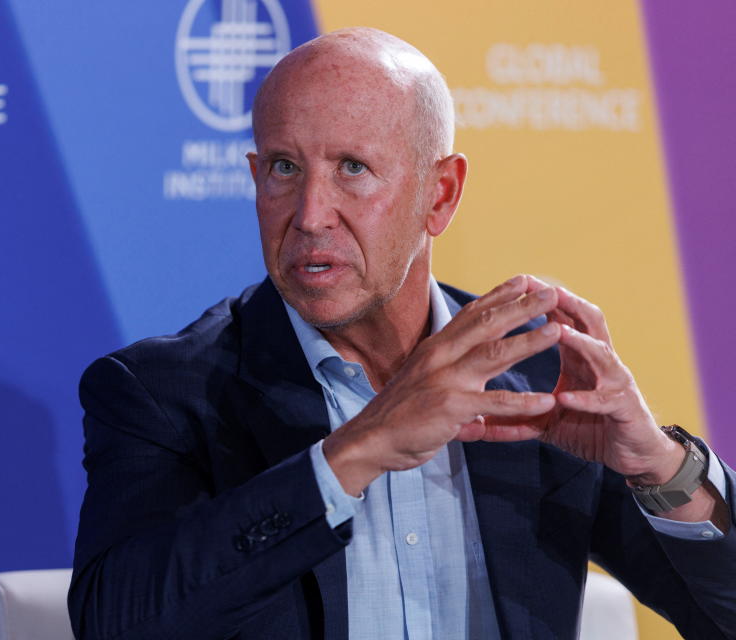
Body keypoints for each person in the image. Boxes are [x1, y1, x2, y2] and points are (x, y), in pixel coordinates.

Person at [69, 27, 736, 640]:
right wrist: (358, 450)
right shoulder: (165, 393)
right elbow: (114, 623)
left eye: (351, 168)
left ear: (439, 194)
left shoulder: (530, 376)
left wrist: (659, 465)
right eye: (283, 168)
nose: (309, 214)